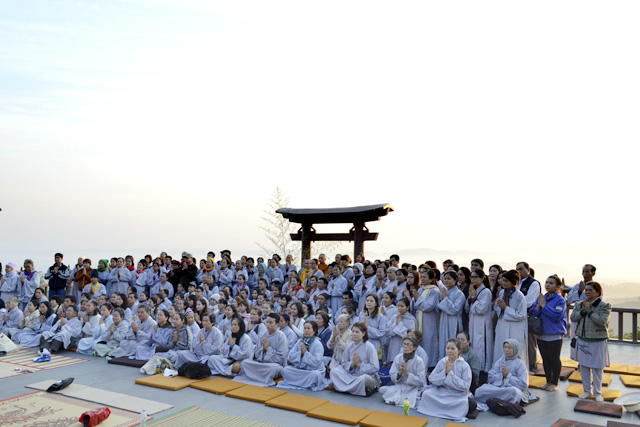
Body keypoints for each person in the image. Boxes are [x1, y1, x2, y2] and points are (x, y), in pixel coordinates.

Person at [570, 281, 611, 402]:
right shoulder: (580, 304)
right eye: (586, 290)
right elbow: (573, 318)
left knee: (597, 368)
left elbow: (602, 321)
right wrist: (583, 311)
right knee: (584, 366)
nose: (587, 292)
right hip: (583, 339)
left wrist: (589, 311)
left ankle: (598, 392)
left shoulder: (604, 306)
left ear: (598, 292)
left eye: (590, 290)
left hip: (598, 340)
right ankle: (587, 391)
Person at [416, 338, 472, 423]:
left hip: (457, 394)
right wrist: (444, 373)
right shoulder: (442, 362)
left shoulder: (465, 365)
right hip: (441, 392)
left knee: (464, 402)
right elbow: (431, 378)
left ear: (459, 350)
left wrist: (450, 374)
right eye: (448, 348)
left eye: (452, 349)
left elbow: (466, 386)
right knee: (426, 394)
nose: (449, 351)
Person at [529, 275, 567, 391]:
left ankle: (554, 383)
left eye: (551, 283)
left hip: (554, 334)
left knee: (554, 359)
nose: (547, 285)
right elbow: (533, 311)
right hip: (541, 333)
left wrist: (544, 306)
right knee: (545, 359)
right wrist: (539, 307)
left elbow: (556, 316)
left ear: (557, 286)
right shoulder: (542, 297)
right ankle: (548, 381)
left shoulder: (560, 300)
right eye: (546, 282)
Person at [235, 312, 289, 386]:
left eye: (271, 322)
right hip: (262, 364)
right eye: (267, 322)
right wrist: (263, 350)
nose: (268, 325)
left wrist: (268, 348)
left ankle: (257, 376)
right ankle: (258, 377)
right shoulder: (265, 334)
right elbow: (257, 352)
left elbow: (282, 358)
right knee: (244, 363)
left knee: (273, 369)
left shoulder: (281, 337)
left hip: (274, 365)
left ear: (277, 324)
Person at [330, 322, 380, 396]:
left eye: (357, 332)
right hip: (350, 375)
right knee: (334, 371)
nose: (354, 334)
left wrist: (359, 365)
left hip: (363, 376)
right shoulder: (349, 346)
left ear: (363, 333)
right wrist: (352, 364)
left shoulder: (370, 347)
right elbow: (344, 363)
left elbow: (375, 367)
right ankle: (356, 389)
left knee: (365, 379)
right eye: (353, 331)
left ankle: (342, 387)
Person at [475, 339, 529, 409]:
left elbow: (523, 384)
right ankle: (497, 400)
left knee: (513, 392)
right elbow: (490, 376)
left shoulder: (520, 363)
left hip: (510, 388)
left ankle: (494, 400)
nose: (506, 350)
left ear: (515, 349)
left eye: (509, 348)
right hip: (498, 387)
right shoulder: (501, 360)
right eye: (505, 347)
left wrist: (508, 375)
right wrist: (501, 376)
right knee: (480, 390)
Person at [277, 320, 328, 391]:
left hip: (312, 370)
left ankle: (300, 382)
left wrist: (305, 353)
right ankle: (302, 383)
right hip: (300, 369)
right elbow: (290, 356)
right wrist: (301, 354)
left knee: (315, 375)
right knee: (285, 370)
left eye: (308, 328)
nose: (306, 330)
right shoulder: (300, 342)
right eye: (305, 328)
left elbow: (317, 362)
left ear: (314, 331)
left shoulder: (318, 344)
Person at [380, 336, 426, 408]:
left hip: (413, 388)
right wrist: (399, 373)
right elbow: (392, 375)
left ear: (414, 348)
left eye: (408, 344)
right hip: (400, 387)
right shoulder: (398, 357)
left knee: (424, 395)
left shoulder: (419, 361)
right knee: (381, 390)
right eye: (404, 344)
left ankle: (399, 399)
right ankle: (402, 399)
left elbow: (421, 381)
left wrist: (407, 374)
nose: (405, 346)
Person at [493, 270, 528, 364]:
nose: (503, 283)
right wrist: (499, 306)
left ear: (513, 282)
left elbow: (521, 315)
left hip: (514, 328)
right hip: (502, 325)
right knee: (500, 349)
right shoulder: (502, 293)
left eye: (506, 281)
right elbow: (498, 310)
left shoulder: (519, 296)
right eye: (502, 280)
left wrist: (506, 308)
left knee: (513, 350)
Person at [466, 269, 493, 381]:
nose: (473, 279)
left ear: (482, 278)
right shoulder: (473, 290)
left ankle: (482, 374)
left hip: (482, 325)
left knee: (481, 348)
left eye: (476, 277)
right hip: (473, 324)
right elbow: (467, 308)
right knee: (474, 347)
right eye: (471, 277)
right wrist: (470, 298)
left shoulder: (486, 292)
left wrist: (473, 298)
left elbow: (481, 309)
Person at [516, 261, 541, 373]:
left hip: (529, 316)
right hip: (518, 316)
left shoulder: (534, 283)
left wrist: (514, 304)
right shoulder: (517, 283)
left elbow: (528, 301)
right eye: (517, 269)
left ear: (528, 270)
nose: (519, 271)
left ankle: (532, 367)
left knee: (530, 343)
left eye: (521, 269)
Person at [412, 270, 439, 369]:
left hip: (429, 321)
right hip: (420, 319)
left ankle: (430, 365)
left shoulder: (434, 291)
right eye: (421, 277)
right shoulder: (421, 289)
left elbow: (429, 306)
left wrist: (418, 299)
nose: (422, 279)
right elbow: (415, 305)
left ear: (431, 279)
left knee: (429, 342)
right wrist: (416, 299)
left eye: (424, 277)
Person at [567, 264, 595, 359]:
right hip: (577, 316)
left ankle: (588, 361)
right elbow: (569, 298)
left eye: (587, 272)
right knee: (576, 339)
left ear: (593, 273)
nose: (585, 274)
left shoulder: (596, 286)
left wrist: (583, 292)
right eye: (583, 272)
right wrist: (579, 291)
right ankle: (579, 361)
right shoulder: (577, 286)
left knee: (588, 341)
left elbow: (596, 300)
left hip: (589, 316)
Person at [437, 271, 464, 360]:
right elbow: (439, 307)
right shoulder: (444, 292)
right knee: (443, 343)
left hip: (453, 322)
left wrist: (445, 299)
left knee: (453, 343)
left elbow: (454, 310)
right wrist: (443, 299)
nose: (446, 281)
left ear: (455, 280)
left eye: (449, 279)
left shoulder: (459, 294)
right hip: (444, 321)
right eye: (445, 279)